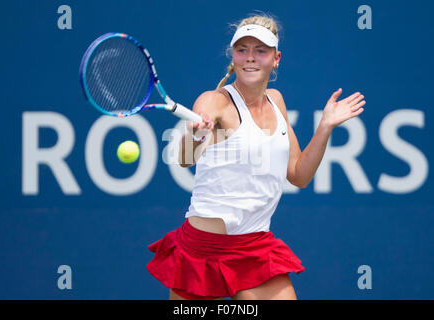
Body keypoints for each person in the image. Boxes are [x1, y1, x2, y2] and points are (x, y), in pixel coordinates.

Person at [146, 14, 366, 300]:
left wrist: (325, 127)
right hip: (203, 250)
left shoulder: (277, 101)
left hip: (255, 247)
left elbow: (299, 175)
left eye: (260, 51)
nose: (250, 58)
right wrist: (199, 133)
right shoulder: (214, 102)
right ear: (233, 56)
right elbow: (185, 158)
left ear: (276, 59)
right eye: (242, 50)